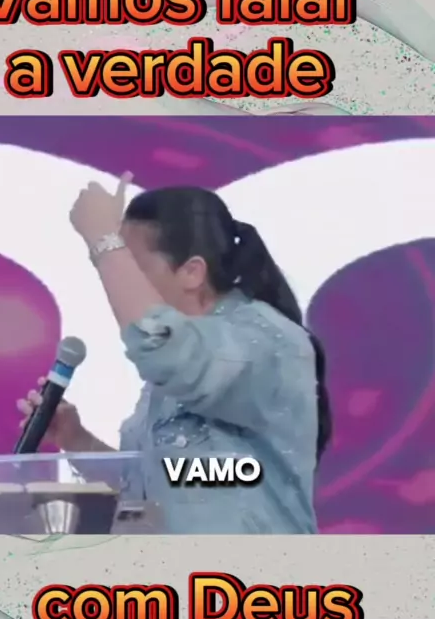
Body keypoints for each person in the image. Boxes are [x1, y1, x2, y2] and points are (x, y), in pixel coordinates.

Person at [17, 174, 332, 534]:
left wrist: (103, 239)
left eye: (132, 265)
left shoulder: (265, 340)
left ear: (192, 272)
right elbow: (158, 487)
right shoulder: (178, 370)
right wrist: (76, 439)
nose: (121, 281)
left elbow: (161, 347)